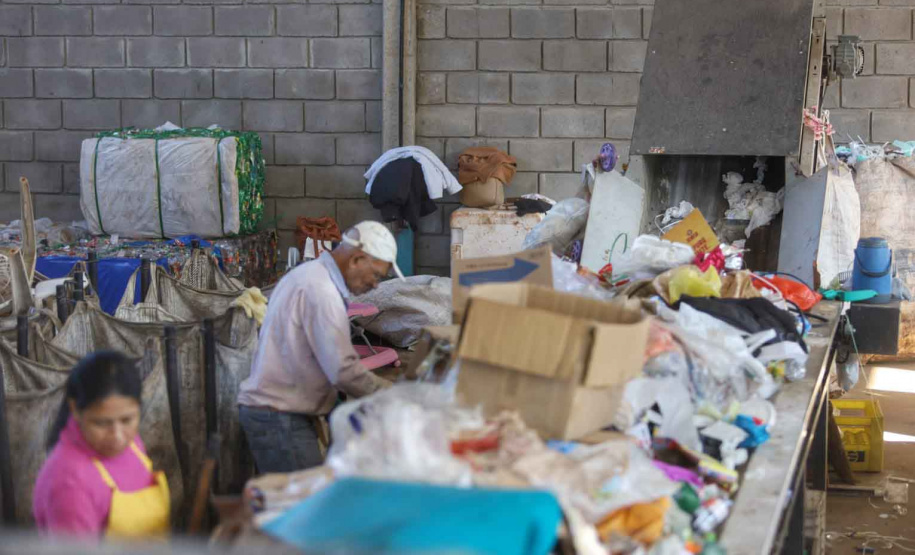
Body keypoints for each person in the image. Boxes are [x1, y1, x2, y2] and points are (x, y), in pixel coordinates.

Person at [237, 221, 402, 473]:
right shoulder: (320, 290)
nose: (376, 285)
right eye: (377, 275)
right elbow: (343, 370)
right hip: (280, 417)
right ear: (357, 259)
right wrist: (394, 395)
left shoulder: (313, 275)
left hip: (280, 414)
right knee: (304, 506)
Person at [33, 351, 170, 539]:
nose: (118, 436)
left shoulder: (132, 444)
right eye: (102, 423)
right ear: (75, 409)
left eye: (127, 420)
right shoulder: (67, 482)